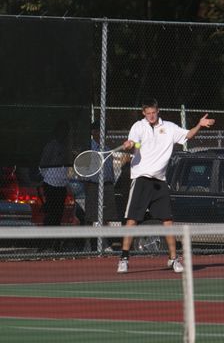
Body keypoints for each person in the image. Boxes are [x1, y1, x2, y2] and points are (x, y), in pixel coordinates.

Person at [117, 98, 215, 273]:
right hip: (141, 179)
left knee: (168, 221)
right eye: (148, 113)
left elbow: (188, 135)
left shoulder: (169, 127)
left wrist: (199, 125)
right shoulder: (138, 126)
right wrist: (129, 144)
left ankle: (173, 259)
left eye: (153, 112)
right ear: (143, 113)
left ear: (157, 110)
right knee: (132, 220)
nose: (151, 116)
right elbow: (132, 143)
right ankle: (124, 258)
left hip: (160, 181)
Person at [83, 120, 119, 251]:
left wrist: (111, 183)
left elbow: (111, 170)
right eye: (100, 131)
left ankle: (104, 243)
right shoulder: (88, 148)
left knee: (106, 216)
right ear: (94, 132)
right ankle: (89, 244)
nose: (103, 134)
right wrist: (86, 184)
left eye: (105, 132)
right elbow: (83, 169)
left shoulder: (108, 149)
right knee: (91, 216)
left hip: (107, 185)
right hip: (93, 185)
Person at [39, 120, 71, 250]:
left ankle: (55, 245)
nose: (65, 134)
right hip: (50, 185)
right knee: (50, 215)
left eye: (66, 131)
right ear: (57, 132)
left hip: (61, 186)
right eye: (63, 131)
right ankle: (45, 244)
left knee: (58, 215)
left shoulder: (66, 146)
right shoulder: (51, 146)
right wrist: (47, 177)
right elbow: (43, 164)